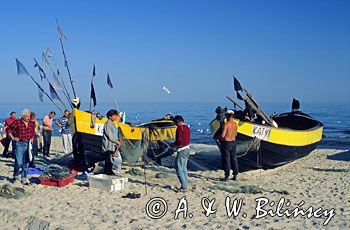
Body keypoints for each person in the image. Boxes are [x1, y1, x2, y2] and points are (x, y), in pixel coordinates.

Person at [8, 108, 35, 185]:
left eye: (29, 116)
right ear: (22, 116)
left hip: (28, 143)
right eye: (27, 116)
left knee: (26, 162)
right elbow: (9, 130)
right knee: (19, 162)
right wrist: (13, 138)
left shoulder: (31, 123)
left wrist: (32, 138)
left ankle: (24, 178)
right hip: (19, 144)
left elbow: (32, 132)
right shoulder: (17, 122)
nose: (28, 118)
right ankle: (15, 175)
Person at [173, 115, 191, 192]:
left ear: (178, 121)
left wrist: (174, 145)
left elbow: (179, 140)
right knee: (184, 168)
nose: (175, 124)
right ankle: (185, 185)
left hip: (182, 149)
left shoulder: (180, 128)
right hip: (187, 148)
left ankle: (184, 187)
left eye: (175, 122)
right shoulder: (187, 127)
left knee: (179, 168)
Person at [220, 110, 238, 181]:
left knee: (227, 160)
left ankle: (227, 176)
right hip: (233, 142)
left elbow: (223, 135)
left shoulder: (227, 124)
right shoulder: (235, 124)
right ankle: (235, 175)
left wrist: (220, 138)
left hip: (227, 143)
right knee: (234, 159)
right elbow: (236, 134)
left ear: (227, 116)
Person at [102, 109, 121, 175]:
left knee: (110, 160)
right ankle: (108, 172)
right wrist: (117, 141)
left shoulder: (112, 124)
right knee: (108, 160)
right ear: (110, 116)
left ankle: (108, 171)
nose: (115, 117)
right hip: (108, 146)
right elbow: (110, 135)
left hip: (111, 145)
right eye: (114, 116)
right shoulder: (108, 124)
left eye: (116, 116)